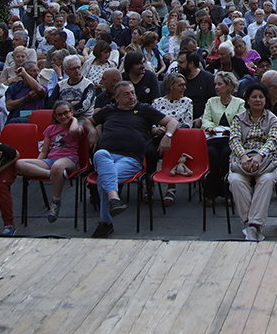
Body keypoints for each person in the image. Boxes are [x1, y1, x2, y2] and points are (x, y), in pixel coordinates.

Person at [90, 80, 179, 239]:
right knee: (100, 154)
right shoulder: (109, 110)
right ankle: (114, 199)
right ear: (116, 98)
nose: (132, 97)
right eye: (126, 94)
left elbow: (172, 122)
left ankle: (106, 221)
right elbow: (90, 121)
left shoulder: (144, 110)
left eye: (132, 93)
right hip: (106, 156)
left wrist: (168, 136)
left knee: (106, 178)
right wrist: (92, 132)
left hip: (130, 159)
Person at [229, 82, 277, 242]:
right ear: (247, 100)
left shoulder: (272, 119)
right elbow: (234, 140)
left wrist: (259, 156)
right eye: (254, 97)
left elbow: (273, 140)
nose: (258, 100)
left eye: (261, 97)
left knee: (266, 181)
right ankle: (249, 222)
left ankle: (255, 223)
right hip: (243, 160)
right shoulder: (239, 119)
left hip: (266, 160)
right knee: (236, 181)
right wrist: (244, 157)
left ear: (265, 100)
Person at [15, 101, 85, 223]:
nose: (63, 117)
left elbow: (74, 132)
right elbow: (44, 151)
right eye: (59, 115)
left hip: (69, 160)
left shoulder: (76, 127)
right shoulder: (50, 129)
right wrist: (37, 163)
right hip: (51, 160)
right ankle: (51, 175)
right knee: (19, 163)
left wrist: (74, 119)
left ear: (71, 112)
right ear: (55, 116)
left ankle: (56, 201)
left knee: (57, 166)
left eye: (66, 113)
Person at [202, 70, 244, 205]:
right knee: (211, 154)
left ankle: (228, 192)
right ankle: (211, 191)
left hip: (230, 139)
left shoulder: (239, 103)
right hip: (214, 138)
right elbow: (206, 119)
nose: (216, 87)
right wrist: (209, 127)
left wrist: (231, 130)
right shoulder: (211, 101)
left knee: (227, 154)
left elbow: (241, 122)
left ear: (229, 86)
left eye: (220, 84)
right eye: (216, 84)